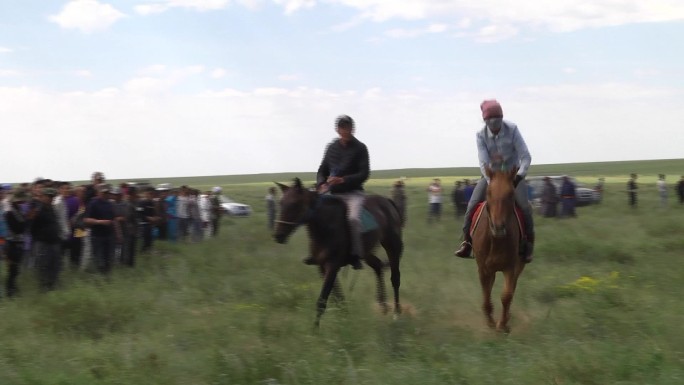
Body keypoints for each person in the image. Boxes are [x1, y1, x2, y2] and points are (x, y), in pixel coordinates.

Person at [454, 99, 535, 263]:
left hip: (512, 175)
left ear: (502, 118)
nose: (495, 124)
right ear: (485, 121)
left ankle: (527, 245)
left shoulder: (512, 129)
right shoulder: (480, 135)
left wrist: (518, 177)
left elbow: (525, 156)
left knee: (524, 206)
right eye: (491, 121)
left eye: (498, 120)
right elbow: (483, 163)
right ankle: (467, 243)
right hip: (490, 176)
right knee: (472, 204)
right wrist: (492, 183)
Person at [309, 114, 370, 270]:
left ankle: (356, 255)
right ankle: (316, 251)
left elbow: (364, 174)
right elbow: (322, 169)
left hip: (352, 193)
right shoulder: (331, 147)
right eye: (342, 128)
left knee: (353, 219)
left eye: (348, 127)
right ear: (337, 129)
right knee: (312, 213)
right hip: (332, 192)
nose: (345, 131)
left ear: (353, 129)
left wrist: (343, 180)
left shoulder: (360, 148)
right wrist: (321, 183)